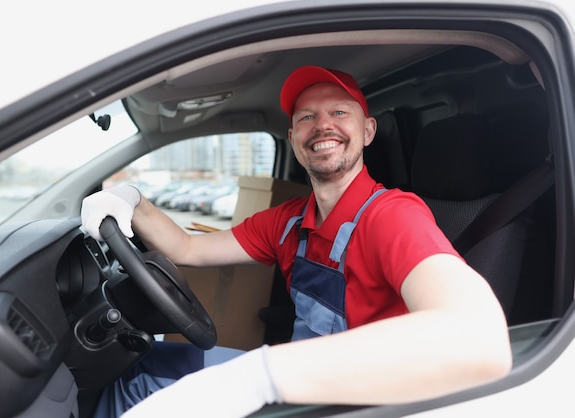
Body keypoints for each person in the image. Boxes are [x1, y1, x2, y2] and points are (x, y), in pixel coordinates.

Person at [81, 65, 512, 418]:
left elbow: (478, 336)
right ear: (293, 140)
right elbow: (187, 249)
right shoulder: (287, 222)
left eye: (340, 112)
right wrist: (132, 201)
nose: (322, 125)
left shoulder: (392, 216)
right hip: (301, 384)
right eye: (306, 117)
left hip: (361, 400)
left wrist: (258, 375)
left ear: (367, 131)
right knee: (143, 367)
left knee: (139, 384)